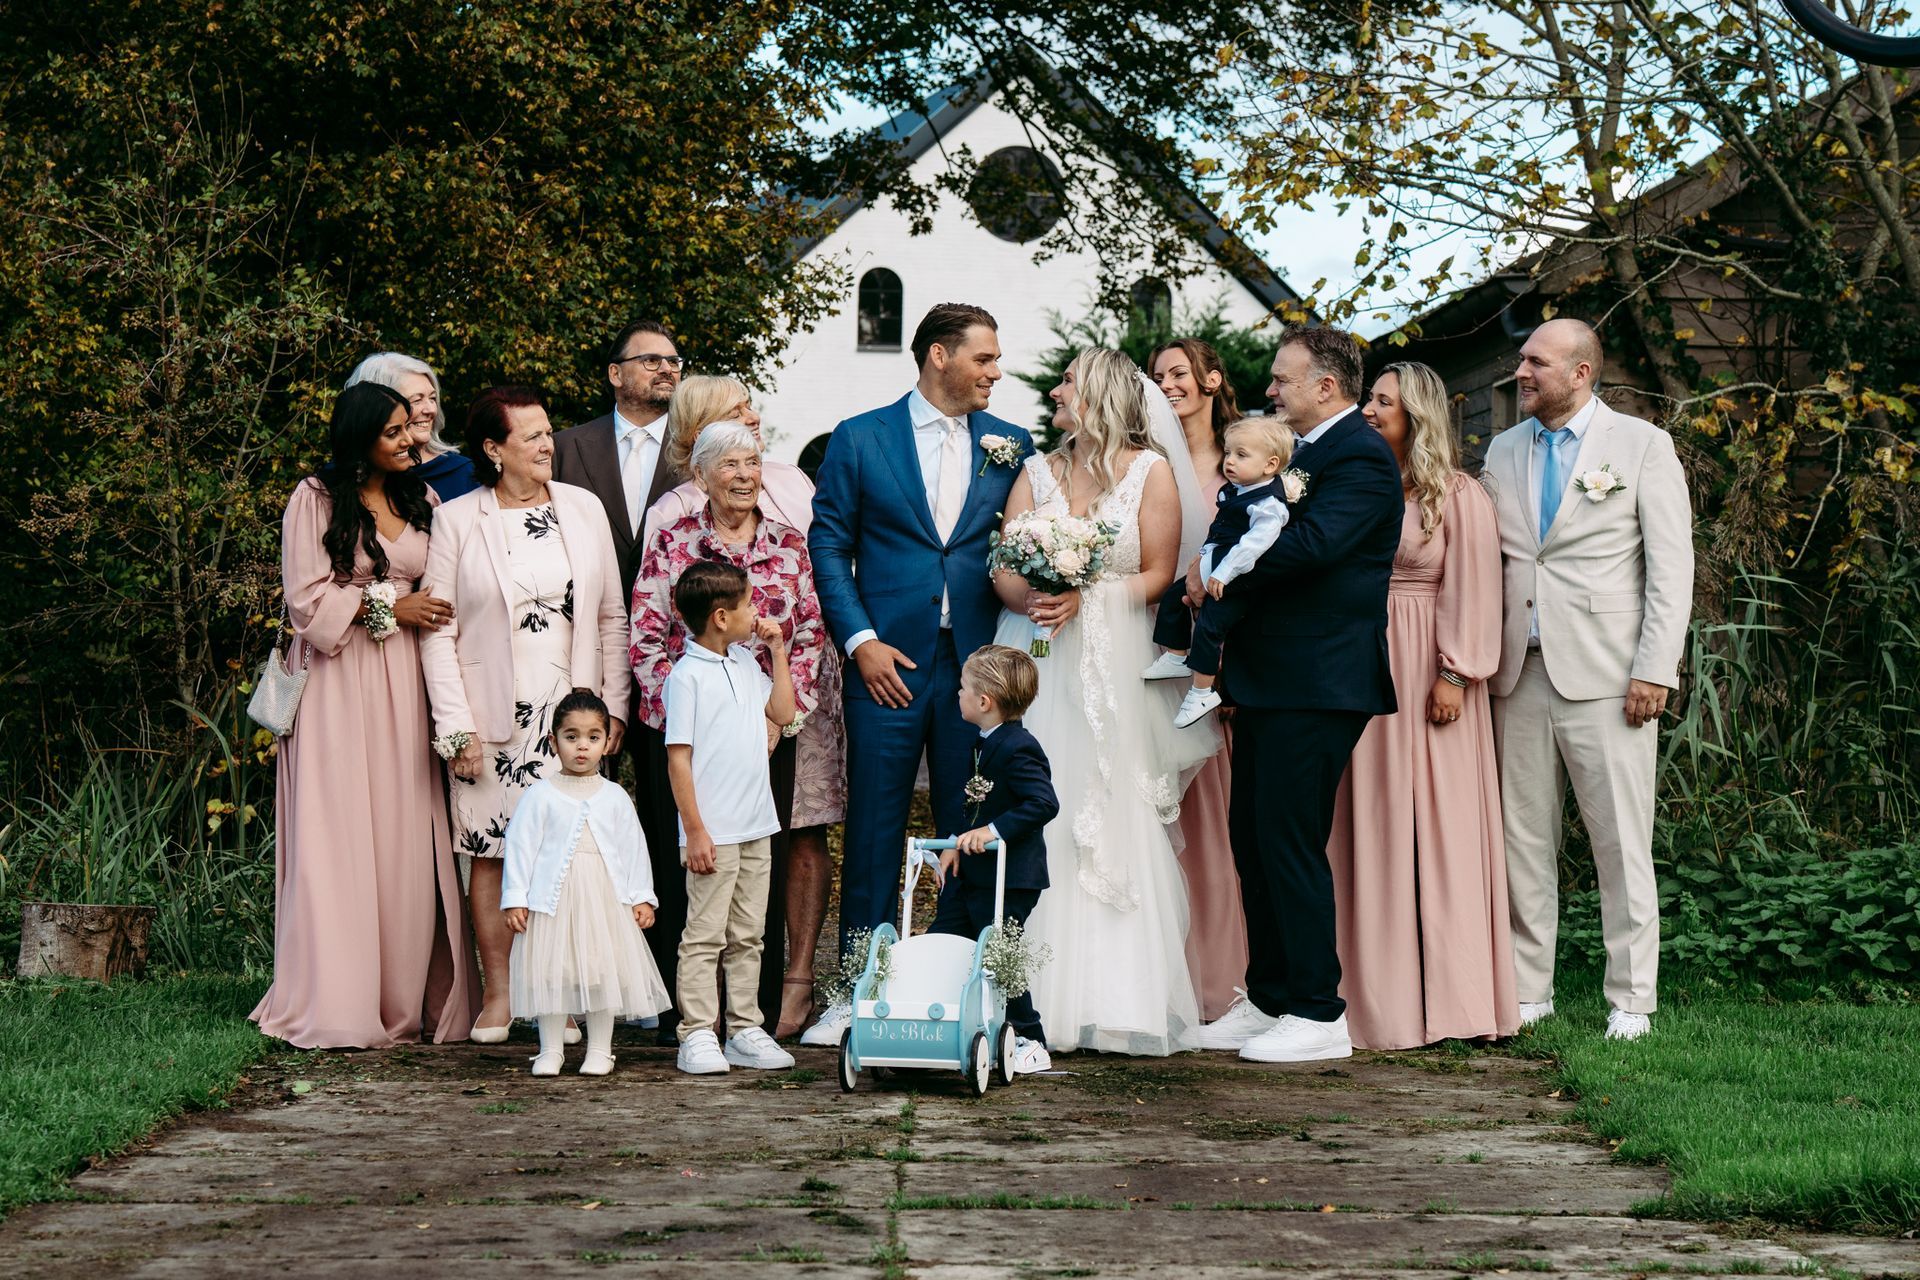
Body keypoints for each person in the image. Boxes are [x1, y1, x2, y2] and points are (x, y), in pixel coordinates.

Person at [803, 303, 1034, 1048]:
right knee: (873, 830)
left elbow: (1026, 545)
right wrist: (860, 641)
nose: (996, 372)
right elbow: (828, 545)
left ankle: (962, 990)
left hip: (978, 672)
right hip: (887, 668)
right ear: (940, 355)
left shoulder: (1012, 445)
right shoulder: (860, 437)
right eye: (984, 358)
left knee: (972, 830)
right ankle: (855, 993)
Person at [991, 347, 1218, 1056]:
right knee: (1035, 799)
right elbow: (1002, 564)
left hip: (1113, 661)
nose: (1055, 391)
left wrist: (1084, 597)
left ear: (1095, 396)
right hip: (1037, 653)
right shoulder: (1037, 472)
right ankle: (1025, 997)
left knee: (1109, 805)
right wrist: (1032, 595)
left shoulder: (1151, 472)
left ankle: (1115, 1001)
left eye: (1067, 382)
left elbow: (1158, 573)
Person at [1191, 326, 1403, 1064]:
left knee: (1288, 839)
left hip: (1320, 677)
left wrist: (1219, 568)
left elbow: (1313, 549)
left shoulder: (1362, 459)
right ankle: (1270, 996)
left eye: (1282, 380)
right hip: (1271, 675)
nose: (1270, 390)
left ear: (1326, 386)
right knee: (1253, 836)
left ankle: (1318, 1012)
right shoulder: (1302, 455)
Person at [1482, 318, 1693, 1041]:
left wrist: (1654, 669)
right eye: (1522, 360)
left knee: (1621, 843)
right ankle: (1528, 989)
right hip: (1517, 672)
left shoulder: (1641, 445)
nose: (1521, 372)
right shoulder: (1503, 448)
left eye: (1536, 362)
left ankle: (1631, 1000)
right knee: (1522, 839)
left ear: (1580, 372)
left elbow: (1671, 569)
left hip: (1610, 676)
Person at [251, 382, 478, 1049]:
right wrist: (391, 608)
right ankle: (340, 995)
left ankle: (404, 995)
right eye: (393, 432)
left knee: (405, 834)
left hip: (407, 679)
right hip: (338, 680)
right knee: (341, 829)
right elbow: (305, 601)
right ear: (359, 438)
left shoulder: (423, 497)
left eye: (410, 426)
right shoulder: (314, 499)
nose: (410, 440)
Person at [420, 386, 631, 1042]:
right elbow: (438, 631)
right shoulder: (458, 519)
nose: (547, 444)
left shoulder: (583, 508)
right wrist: (455, 727)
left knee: (569, 855)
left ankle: (559, 998)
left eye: (548, 432)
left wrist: (614, 709)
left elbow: (612, 616)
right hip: (492, 721)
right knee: (491, 855)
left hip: (574, 720)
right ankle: (500, 995)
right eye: (532, 435)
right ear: (493, 448)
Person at [642, 377, 845, 1037]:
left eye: (752, 463)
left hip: (771, 735)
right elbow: (647, 635)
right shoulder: (674, 540)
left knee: (763, 867)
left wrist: (777, 718)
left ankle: (751, 1017)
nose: (744, 476)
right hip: (696, 738)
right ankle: (691, 1021)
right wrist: (685, 717)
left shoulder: (787, 545)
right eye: (728, 465)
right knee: (696, 868)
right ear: (701, 476)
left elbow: (809, 634)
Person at [1326, 362, 1518, 1049]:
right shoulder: (1359, 482)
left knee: (1441, 825)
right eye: (1369, 399)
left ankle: (1455, 1001)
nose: (1369, 410)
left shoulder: (1458, 493)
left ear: (1417, 415)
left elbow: (1476, 586)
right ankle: (1375, 998)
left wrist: (1456, 673)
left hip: (1428, 664)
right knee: (1368, 818)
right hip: (1360, 658)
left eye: (1384, 401)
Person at [551, 318, 686, 1040]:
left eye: (674, 361)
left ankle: (661, 991)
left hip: (672, 655)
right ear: (614, 372)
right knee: (576, 821)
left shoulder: (694, 445)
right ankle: (575, 985)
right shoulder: (567, 447)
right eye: (651, 359)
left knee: (664, 821)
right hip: (582, 652)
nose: (667, 370)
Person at [663, 560, 799, 1075]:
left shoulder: (745, 661)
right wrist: (695, 830)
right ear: (721, 617)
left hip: (756, 825)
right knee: (704, 936)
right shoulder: (686, 677)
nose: (755, 612)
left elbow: (783, 714)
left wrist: (778, 652)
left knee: (749, 935)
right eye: (747, 604)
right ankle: (697, 1032)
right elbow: (679, 759)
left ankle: (744, 1029)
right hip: (713, 833)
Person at [1149, 338, 1248, 1021]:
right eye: (1158, 376)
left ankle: (1223, 978)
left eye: (1179, 373)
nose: (1168, 385)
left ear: (1212, 380)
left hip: (1231, 660)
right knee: (1163, 814)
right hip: (1158, 656)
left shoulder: (1249, 461)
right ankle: (1162, 979)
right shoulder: (1146, 464)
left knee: (1224, 821)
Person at [501, 691, 671, 1076]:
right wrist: (515, 897)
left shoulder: (615, 797)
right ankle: (550, 1050)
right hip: (553, 902)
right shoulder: (539, 796)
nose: (582, 746)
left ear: (607, 742)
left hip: (603, 899)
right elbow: (521, 848)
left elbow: (633, 848)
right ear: (553, 741)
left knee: (601, 970)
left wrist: (641, 896)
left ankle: (600, 1050)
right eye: (571, 736)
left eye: (593, 737)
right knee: (552, 971)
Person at [930, 644, 1059, 1075]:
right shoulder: (983, 742)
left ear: (984, 702)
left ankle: (1031, 1039)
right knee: (943, 941)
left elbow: (1043, 802)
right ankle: (938, 1026)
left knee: (998, 955)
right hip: (975, 875)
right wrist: (954, 841)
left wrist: (991, 832)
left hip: (1011, 878)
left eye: (963, 688)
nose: (958, 693)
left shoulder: (1018, 746)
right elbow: (975, 804)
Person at [1144, 417, 1297, 726]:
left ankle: (1203, 691)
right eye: (1228, 453)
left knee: (1209, 627)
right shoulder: (1237, 490)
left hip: (1236, 579)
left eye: (1241, 455)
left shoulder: (1269, 505)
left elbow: (1253, 545)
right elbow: (1220, 531)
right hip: (1213, 565)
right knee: (1174, 597)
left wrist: (1224, 572)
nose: (1229, 461)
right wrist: (1203, 557)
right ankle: (1176, 655)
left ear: (1270, 464)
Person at [344, 352, 478, 501]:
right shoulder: (338, 482)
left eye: (432, 398)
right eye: (416, 400)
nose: (431, 410)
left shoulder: (464, 474)